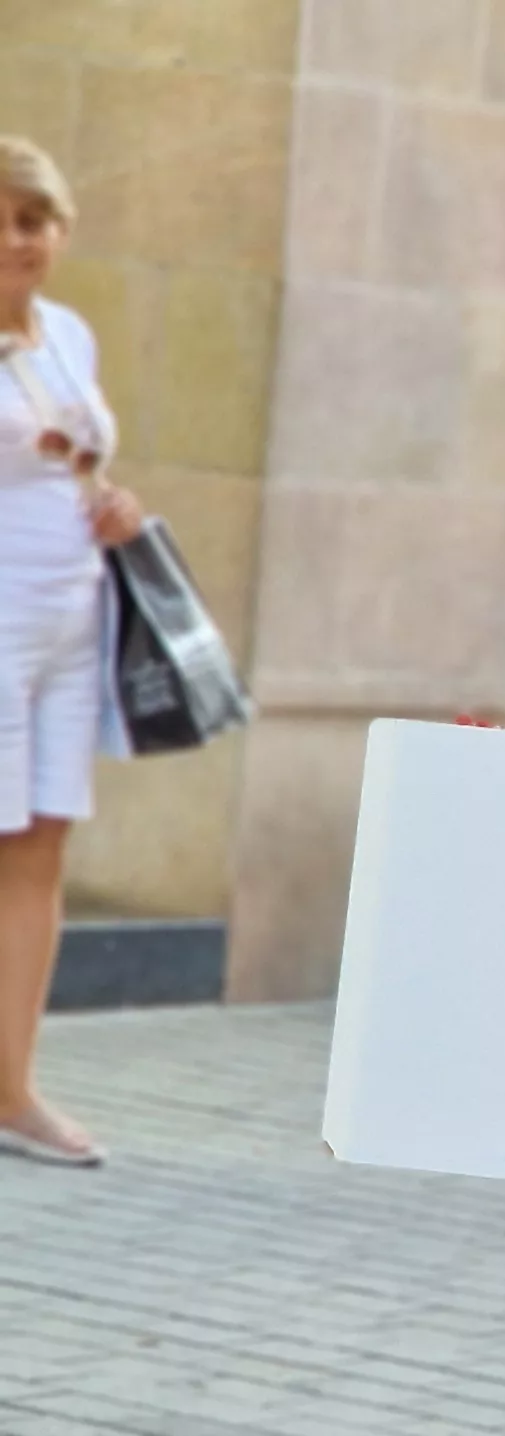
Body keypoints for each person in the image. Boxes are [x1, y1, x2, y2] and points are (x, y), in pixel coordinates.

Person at [0, 139, 140, 1170]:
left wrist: (114, 509)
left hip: (70, 618)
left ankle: (12, 1088)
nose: (16, 240)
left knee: (41, 844)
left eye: (32, 219)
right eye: (1, 220)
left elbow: (80, 469)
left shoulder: (69, 339)